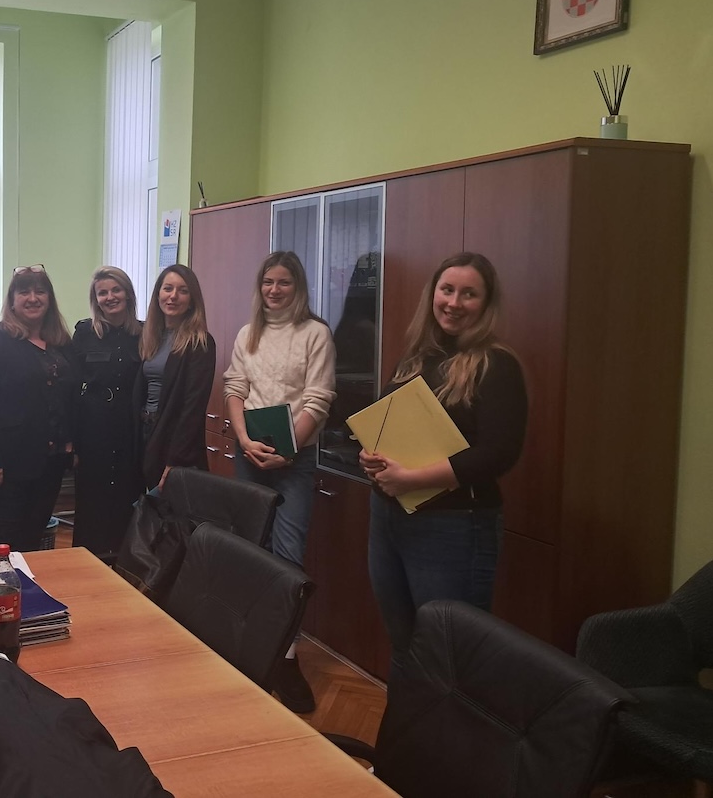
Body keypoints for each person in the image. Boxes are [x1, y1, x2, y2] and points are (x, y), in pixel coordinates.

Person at [359, 252, 527, 678]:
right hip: (389, 517)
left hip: (453, 527)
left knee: (451, 657)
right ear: (432, 294)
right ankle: (405, 723)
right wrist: (371, 455)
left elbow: (499, 453)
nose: (453, 302)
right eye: (447, 290)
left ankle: (449, 727)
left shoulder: (496, 364)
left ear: (486, 303)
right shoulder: (416, 358)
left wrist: (412, 478)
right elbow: (387, 425)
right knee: (403, 642)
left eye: (469, 294)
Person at [223, 250, 336, 713]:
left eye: (284, 282)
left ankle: (286, 657)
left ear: (298, 286)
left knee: (288, 556)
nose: (274, 289)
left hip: (295, 459)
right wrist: (244, 440)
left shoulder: (316, 334)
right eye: (268, 281)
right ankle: (249, 644)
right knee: (250, 549)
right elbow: (235, 389)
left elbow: (319, 399)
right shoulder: (247, 334)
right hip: (249, 452)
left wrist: (287, 450)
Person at [0, 265, 78, 552]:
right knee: (1, 542)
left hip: (50, 463)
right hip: (7, 466)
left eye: (40, 291)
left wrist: (70, 443)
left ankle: (26, 583)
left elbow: (69, 397)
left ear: (49, 299)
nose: (33, 298)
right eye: (24, 292)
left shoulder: (61, 343)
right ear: (12, 300)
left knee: (33, 537)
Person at [70, 266, 143, 559]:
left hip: (131, 426)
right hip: (93, 425)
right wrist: (72, 442)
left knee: (127, 495)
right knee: (92, 497)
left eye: (116, 290)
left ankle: (123, 563)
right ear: (96, 299)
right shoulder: (85, 332)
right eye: (103, 293)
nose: (110, 297)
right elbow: (71, 387)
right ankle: (86, 561)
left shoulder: (145, 332)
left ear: (128, 294)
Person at [134, 264, 215, 492]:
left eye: (183, 290)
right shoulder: (151, 337)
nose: (173, 296)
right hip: (145, 432)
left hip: (173, 441)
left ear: (192, 300)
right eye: (167, 288)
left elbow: (193, 407)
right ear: (158, 294)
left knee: (169, 506)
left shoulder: (200, 343)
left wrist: (175, 459)